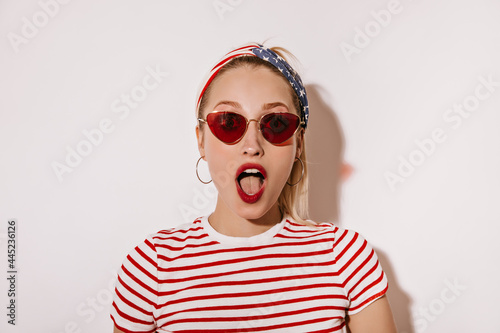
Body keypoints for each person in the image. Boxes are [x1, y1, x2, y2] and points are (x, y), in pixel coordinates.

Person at [110, 43, 397, 332]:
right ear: (201, 140)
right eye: (228, 122)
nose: (252, 145)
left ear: (299, 143)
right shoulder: (152, 265)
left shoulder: (345, 257)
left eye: (275, 124)